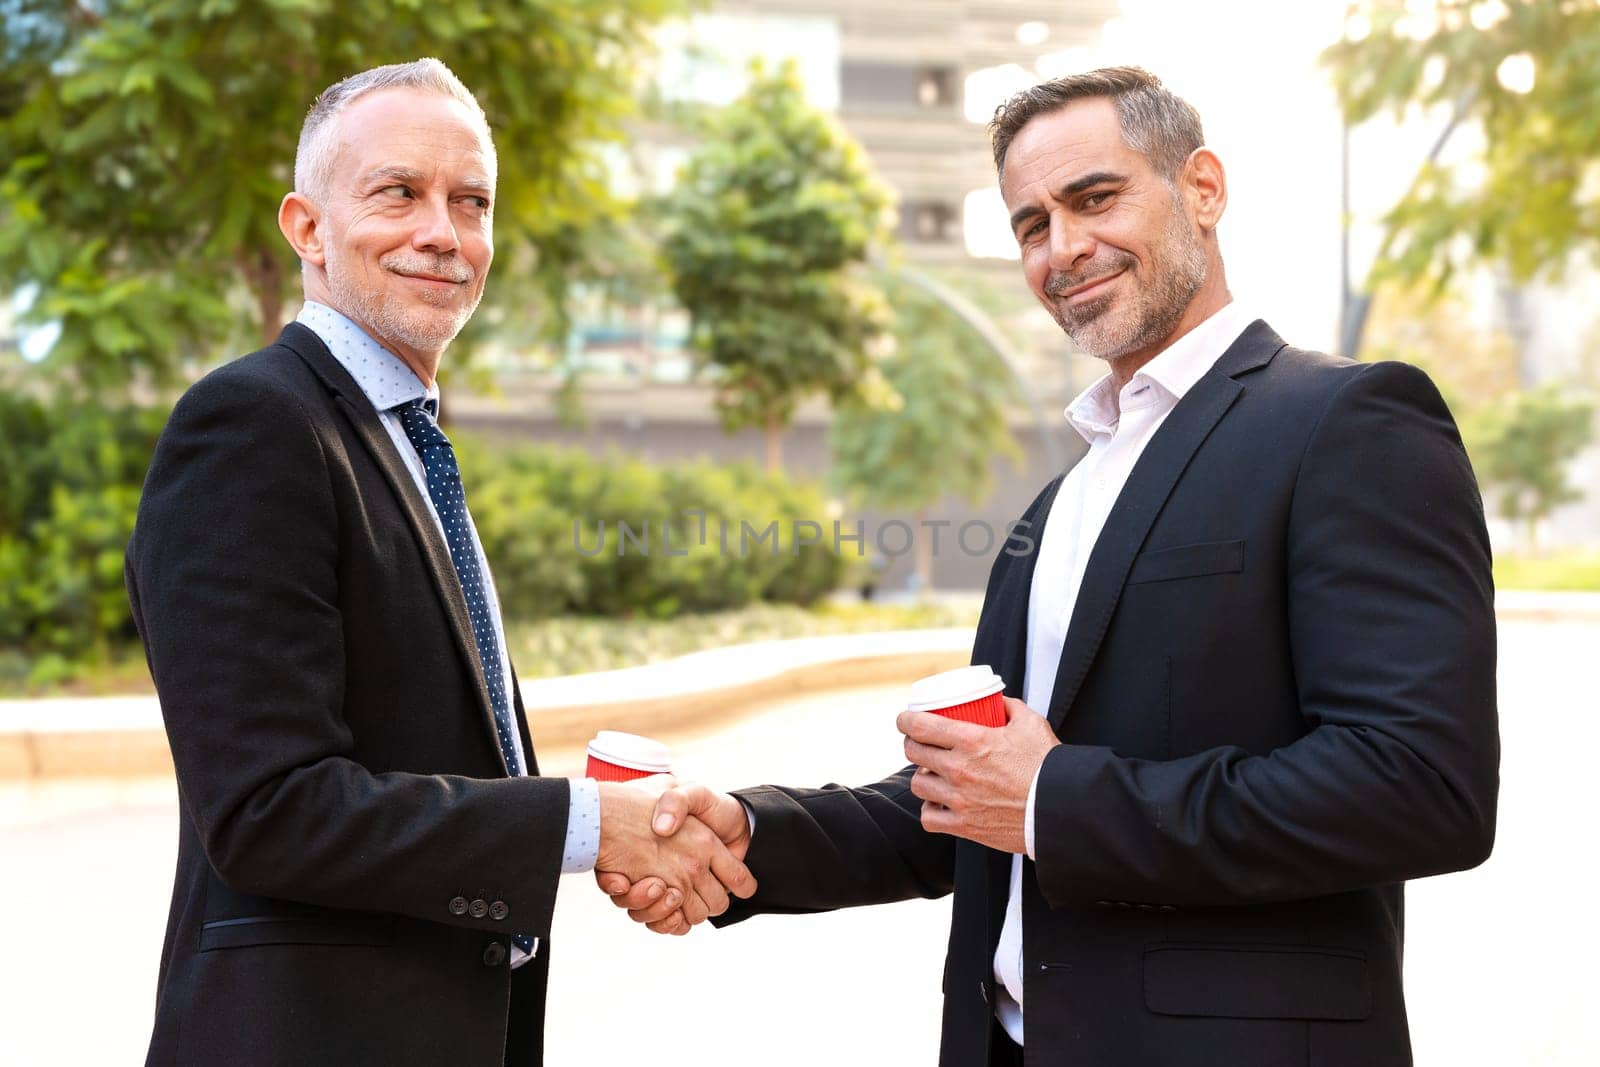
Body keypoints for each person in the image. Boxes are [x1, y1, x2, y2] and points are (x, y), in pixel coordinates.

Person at [600, 67, 1499, 1066]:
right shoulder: (1066, 494)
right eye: (1031, 224)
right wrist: (750, 837)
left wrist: (1051, 798)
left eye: (1094, 198)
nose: (1062, 248)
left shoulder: (1349, 419)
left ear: (1201, 188)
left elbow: (1419, 787)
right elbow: (979, 801)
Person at [124, 58, 752, 1067]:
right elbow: (269, 809)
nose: (443, 234)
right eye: (397, 193)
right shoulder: (253, 424)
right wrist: (589, 824)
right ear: (306, 227)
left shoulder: (406, 442)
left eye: (471, 202)